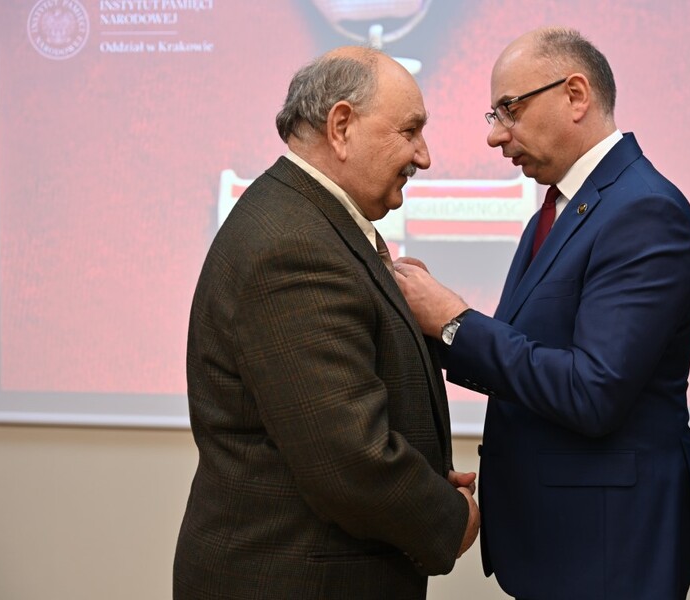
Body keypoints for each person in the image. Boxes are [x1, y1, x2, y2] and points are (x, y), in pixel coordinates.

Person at [394, 27, 690, 599]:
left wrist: (454, 320)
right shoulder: (565, 205)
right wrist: (421, 320)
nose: (495, 135)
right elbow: (530, 355)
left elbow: (593, 392)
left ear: (575, 95)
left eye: (510, 110)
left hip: (609, 552)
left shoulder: (643, 211)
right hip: (562, 543)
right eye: (494, 115)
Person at [173, 46, 479, 600]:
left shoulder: (305, 219)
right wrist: (448, 518)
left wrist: (427, 472)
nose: (425, 156)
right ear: (341, 127)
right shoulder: (294, 246)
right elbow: (350, 461)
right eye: (410, 131)